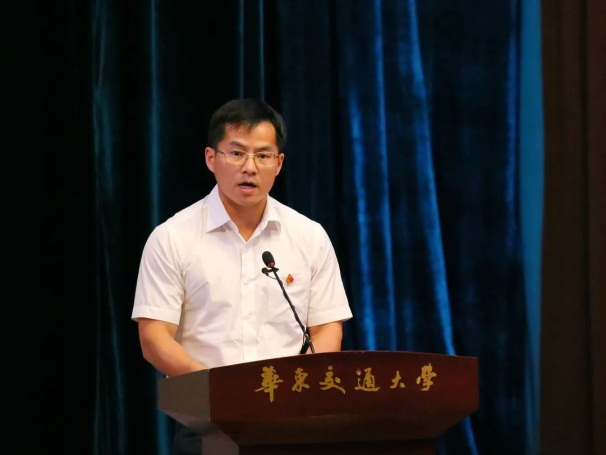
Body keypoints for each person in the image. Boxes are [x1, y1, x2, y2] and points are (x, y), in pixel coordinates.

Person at [131, 98, 353, 454]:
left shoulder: (309, 237)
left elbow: (327, 328)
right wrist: (220, 390)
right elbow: (155, 338)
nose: (249, 167)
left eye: (263, 155)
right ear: (211, 158)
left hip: (291, 421)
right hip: (208, 423)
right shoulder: (172, 237)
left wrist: (297, 389)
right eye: (236, 153)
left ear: (278, 164)